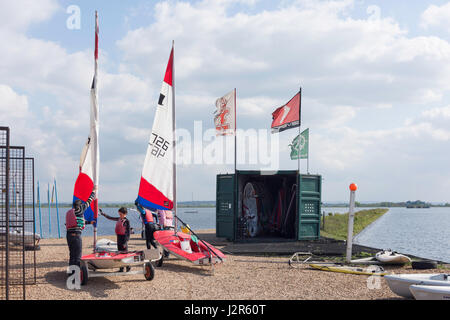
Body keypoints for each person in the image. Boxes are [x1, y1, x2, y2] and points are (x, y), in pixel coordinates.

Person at [66, 186, 97, 271]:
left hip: (69, 236)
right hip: (76, 236)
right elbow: (89, 201)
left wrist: (88, 222)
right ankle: (76, 274)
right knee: (78, 255)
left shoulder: (70, 213)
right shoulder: (81, 209)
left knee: (72, 254)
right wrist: (93, 191)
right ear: (80, 205)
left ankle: (71, 272)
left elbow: (76, 223)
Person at [100, 207, 132, 272]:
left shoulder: (127, 221)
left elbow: (128, 232)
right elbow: (110, 217)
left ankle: (128, 267)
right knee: (119, 253)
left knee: (125, 254)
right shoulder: (118, 219)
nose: (120, 216)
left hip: (124, 239)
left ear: (125, 214)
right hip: (119, 237)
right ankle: (121, 268)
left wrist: (126, 241)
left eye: (121, 214)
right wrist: (103, 214)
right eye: (119, 214)